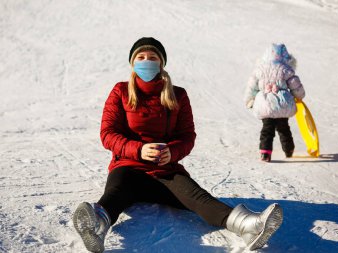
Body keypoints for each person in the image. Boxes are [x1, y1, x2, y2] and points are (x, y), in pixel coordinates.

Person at [72, 37, 283, 253]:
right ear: (133, 63)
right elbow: (108, 134)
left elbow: (187, 136)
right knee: (115, 193)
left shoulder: (178, 95)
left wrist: (171, 152)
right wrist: (139, 149)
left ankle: (249, 226)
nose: (147, 61)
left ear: (161, 63)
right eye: (141, 57)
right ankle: (96, 225)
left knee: (197, 197)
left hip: (165, 170)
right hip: (128, 166)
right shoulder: (121, 91)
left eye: (152, 57)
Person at [244, 43, 306, 162]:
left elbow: (251, 87)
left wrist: (249, 100)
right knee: (284, 128)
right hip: (282, 105)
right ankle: (289, 149)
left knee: (267, 129)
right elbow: (295, 85)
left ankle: (265, 153)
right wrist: (299, 96)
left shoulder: (259, 70)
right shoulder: (286, 70)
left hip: (265, 104)